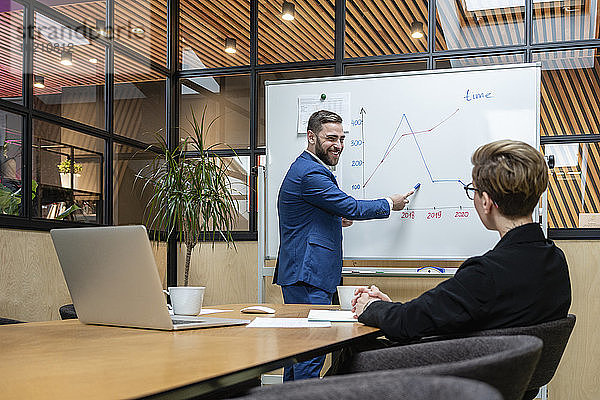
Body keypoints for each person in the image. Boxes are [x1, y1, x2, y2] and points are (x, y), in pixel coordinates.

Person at [351, 139, 571, 344]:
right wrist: (390, 310)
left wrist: (371, 306)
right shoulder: (554, 260)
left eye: (473, 190)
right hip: (507, 379)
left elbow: (408, 324)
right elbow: (433, 318)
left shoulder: (486, 274)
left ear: (486, 202)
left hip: (458, 379)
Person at [274, 109, 414, 381]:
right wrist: (389, 203)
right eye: (331, 138)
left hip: (304, 272)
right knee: (310, 351)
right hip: (308, 274)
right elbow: (350, 205)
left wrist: (332, 219)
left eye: (341, 138)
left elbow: (311, 213)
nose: (338, 145)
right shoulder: (310, 173)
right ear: (311, 137)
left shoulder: (307, 168)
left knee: (300, 351)